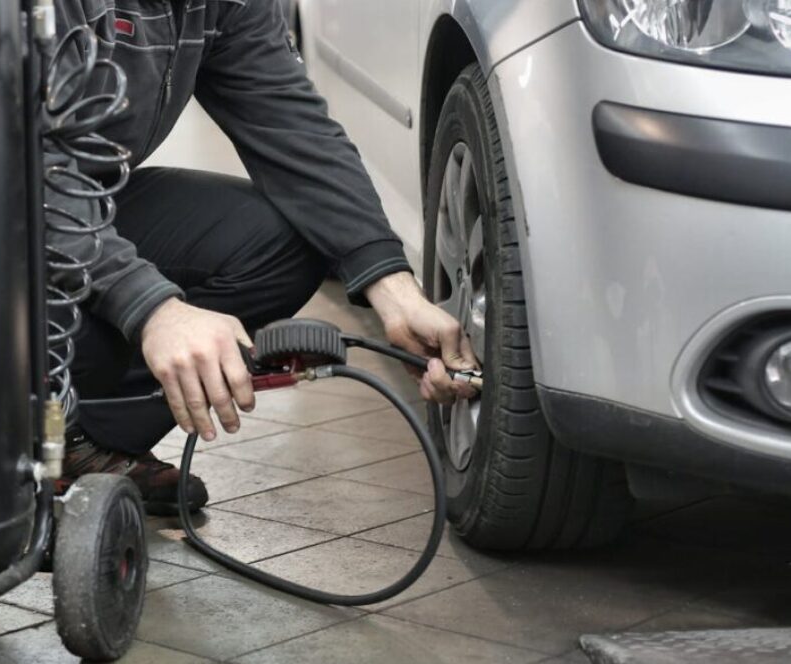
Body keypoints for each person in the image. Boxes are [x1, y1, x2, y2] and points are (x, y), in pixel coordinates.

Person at [48, 0, 478, 516]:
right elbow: (12, 166)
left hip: (80, 202)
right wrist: (153, 309)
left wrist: (393, 287)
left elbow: (293, 127)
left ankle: (80, 439)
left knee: (285, 241)